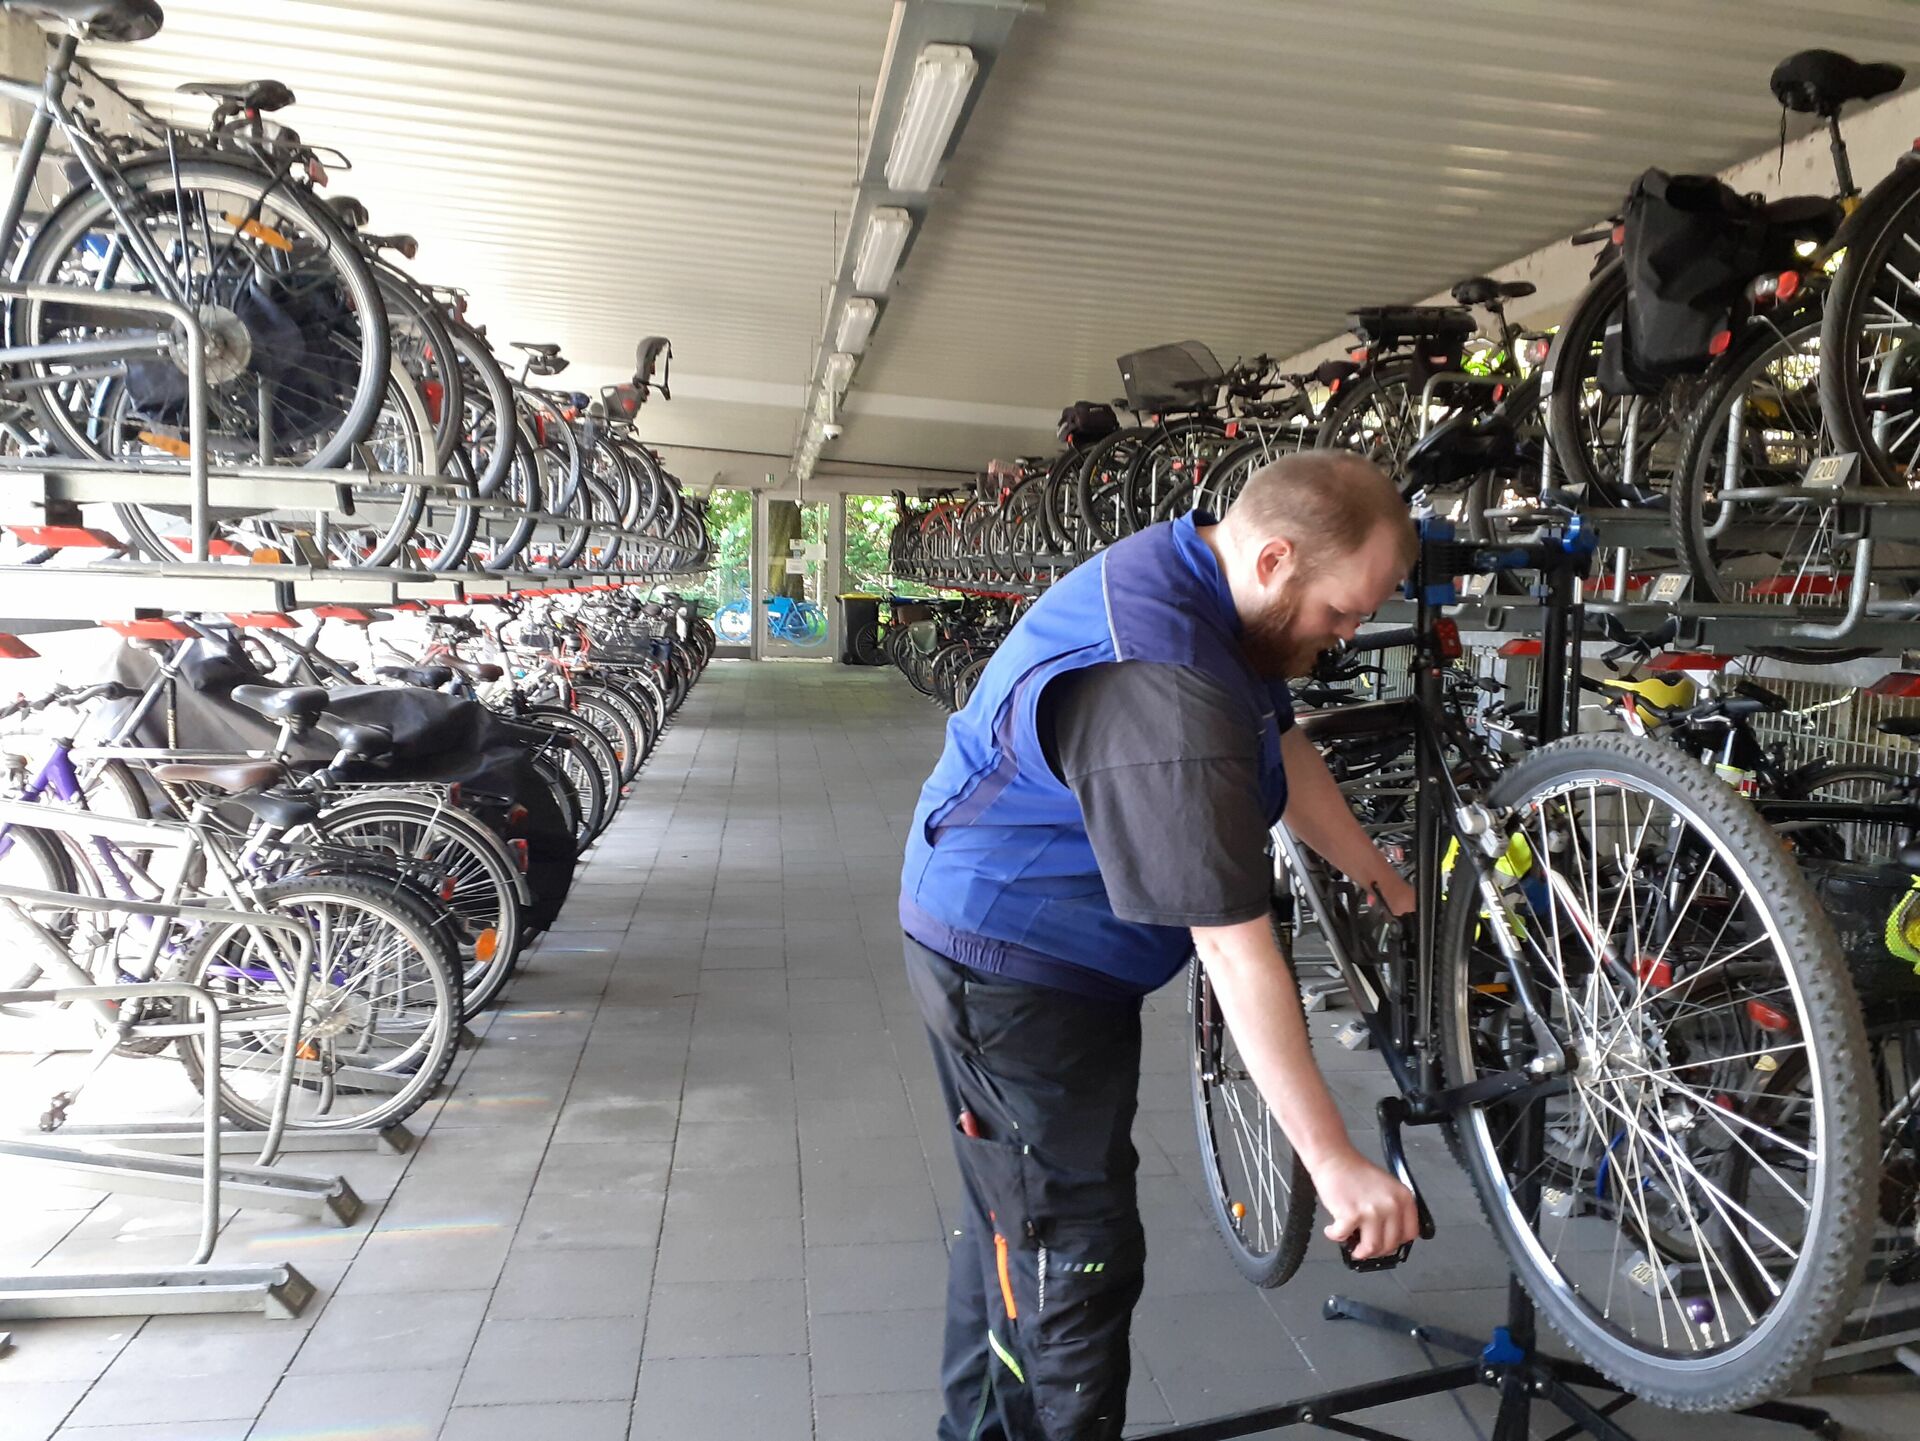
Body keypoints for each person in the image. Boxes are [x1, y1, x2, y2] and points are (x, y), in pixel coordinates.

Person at [899, 451, 1423, 1441]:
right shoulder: (1162, 684)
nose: (1346, 636)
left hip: (1017, 930)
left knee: (1017, 1217)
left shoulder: (1202, 573)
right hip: (1012, 962)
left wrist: (1374, 871)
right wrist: (1334, 1158)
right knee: (1076, 1249)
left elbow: (1284, 740)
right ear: (1274, 558)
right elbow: (1234, 950)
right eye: (1341, 613)